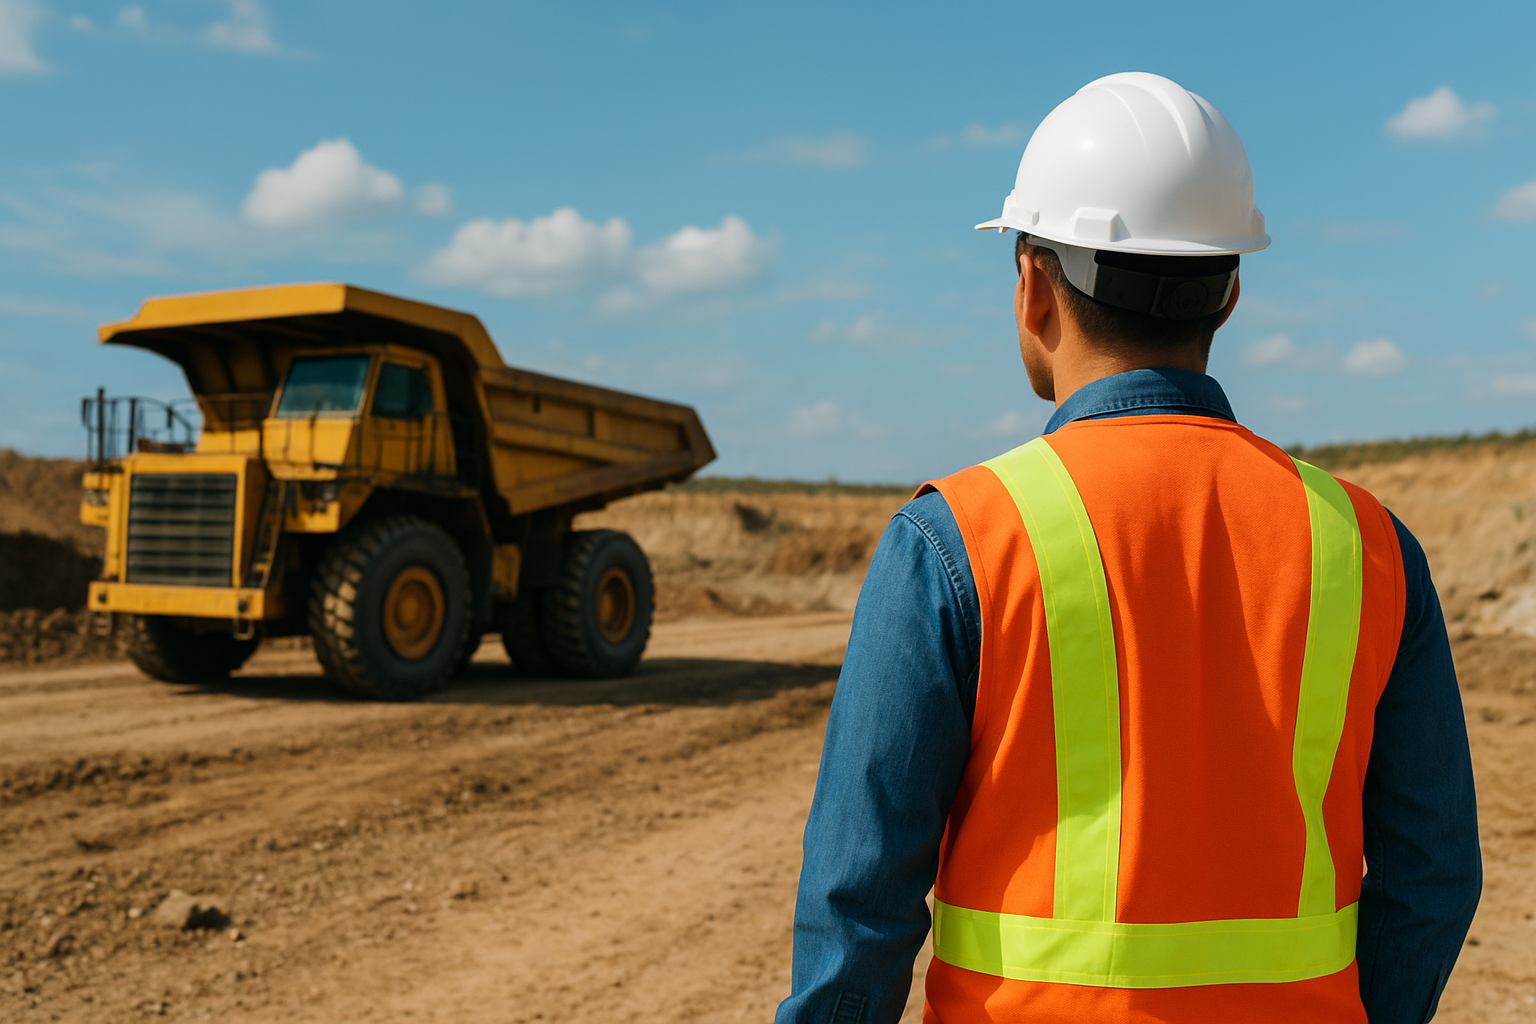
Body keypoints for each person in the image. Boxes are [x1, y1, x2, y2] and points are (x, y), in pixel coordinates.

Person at [776, 72, 1481, 1024]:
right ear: (1228, 293)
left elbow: (858, 901)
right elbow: (1433, 874)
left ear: (1032, 286)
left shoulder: (957, 538)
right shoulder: (1369, 545)